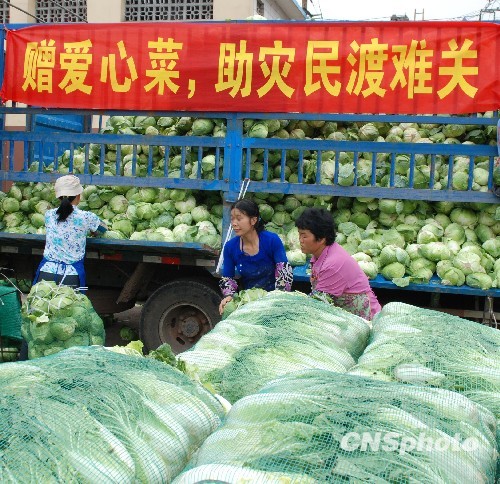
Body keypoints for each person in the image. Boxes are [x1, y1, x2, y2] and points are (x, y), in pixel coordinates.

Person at [296, 207, 381, 320]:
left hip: (364, 320)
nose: (300, 240)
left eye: (304, 236)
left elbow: (317, 304)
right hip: (346, 317)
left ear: (321, 238)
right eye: (299, 235)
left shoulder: (332, 264)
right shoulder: (321, 253)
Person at [218, 199, 293, 314]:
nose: (234, 223)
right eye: (232, 219)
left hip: (275, 299)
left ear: (253, 220)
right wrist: (229, 296)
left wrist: (278, 300)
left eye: (239, 218)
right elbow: (227, 278)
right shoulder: (230, 247)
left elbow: (284, 273)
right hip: (249, 301)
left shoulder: (271, 240)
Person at [34, 175, 107, 289]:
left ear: (58, 197)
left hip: (46, 272)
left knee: (43, 301)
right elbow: (102, 229)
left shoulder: (49, 215)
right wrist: (93, 232)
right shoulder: (87, 217)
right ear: (78, 195)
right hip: (71, 275)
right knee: (69, 301)